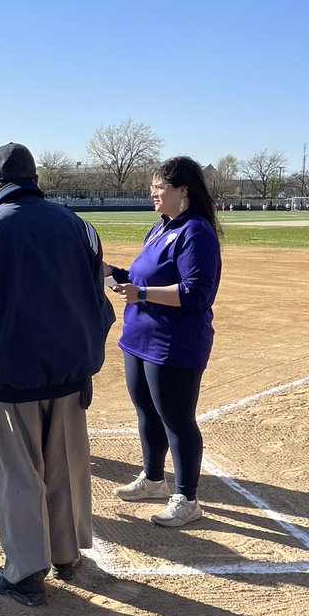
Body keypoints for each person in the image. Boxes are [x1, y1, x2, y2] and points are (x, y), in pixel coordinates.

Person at [0, 144, 115, 607]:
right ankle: (68, 554)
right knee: (65, 467)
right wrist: (85, 360)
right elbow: (99, 307)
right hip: (70, 377)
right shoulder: (80, 228)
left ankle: (26, 571)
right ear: (35, 178)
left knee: (17, 474)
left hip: (9, 378)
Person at [104, 156, 222, 528]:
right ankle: (154, 479)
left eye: (159, 187)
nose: (153, 193)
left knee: (177, 418)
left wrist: (140, 292)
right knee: (146, 411)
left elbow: (196, 293)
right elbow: (142, 278)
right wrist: (113, 274)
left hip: (174, 342)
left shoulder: (196, 232)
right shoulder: (160, 228)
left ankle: (187, 498)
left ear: (182, 191)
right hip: (139, 337)